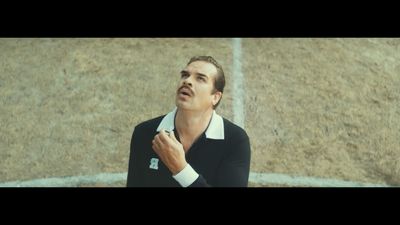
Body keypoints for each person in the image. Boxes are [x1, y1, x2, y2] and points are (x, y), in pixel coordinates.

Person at [126, 56, 251, 187]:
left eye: (200, 78)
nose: (187, 81)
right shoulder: (145, 133)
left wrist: (181, 169)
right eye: (185, 75)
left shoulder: (235, 140)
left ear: (215, 97)